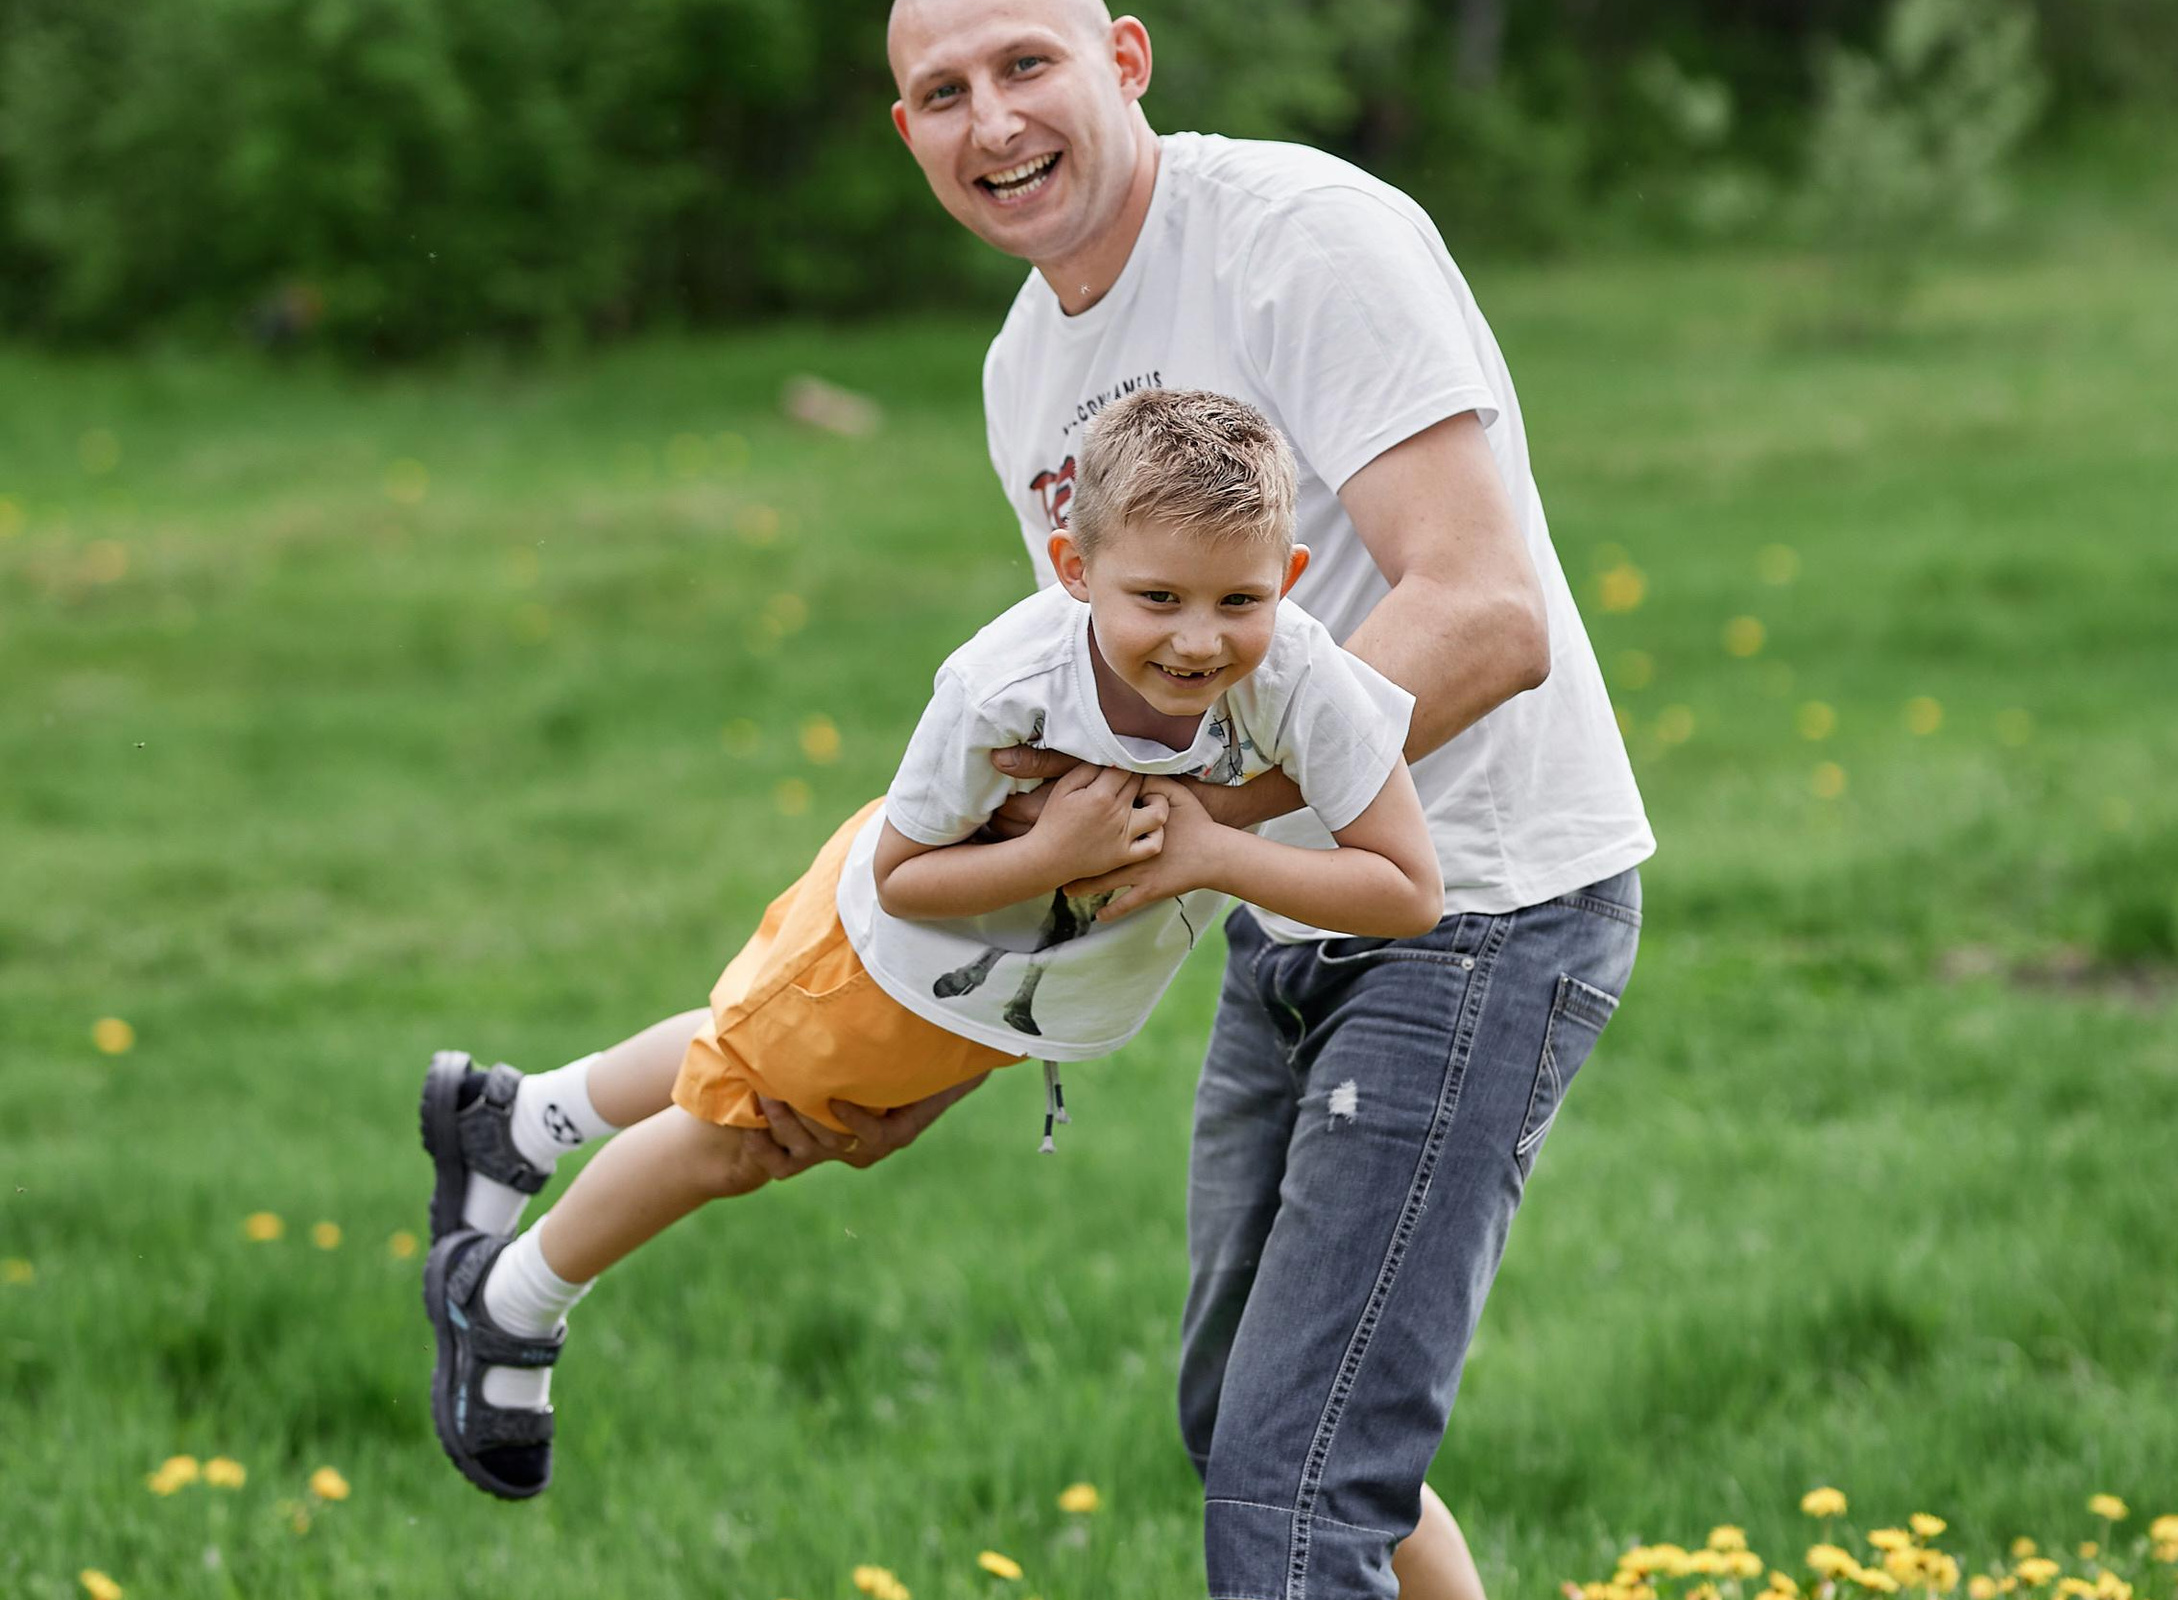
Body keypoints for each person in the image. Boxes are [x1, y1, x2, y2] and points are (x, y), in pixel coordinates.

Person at [771, 0, 1656, 1600]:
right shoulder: (1018, 378)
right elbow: (1100, 700)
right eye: (941, 93)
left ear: (1122, 57)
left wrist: (1203, 825)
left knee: (1294, 1481)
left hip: (1480, 895)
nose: (993, 123)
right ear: (907, 136)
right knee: (1246, 1408)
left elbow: (1482, 612)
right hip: (1273, 905)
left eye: (1025, 66)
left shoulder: (1312, 242)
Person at [418, 389, 1441, 1503]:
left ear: (1288, 580)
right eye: (1157, 597)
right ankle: (508, 1299)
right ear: (1073, 567)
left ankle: (518, 1117)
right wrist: (1056, 850)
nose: (1199, 639)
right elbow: (905, 877)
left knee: (735, 1046)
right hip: (885, 957)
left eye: (1237, 600)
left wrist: (1209, 853)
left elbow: (1405, 888)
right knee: (742, 1130)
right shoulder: (1002, 685)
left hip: (1005, 992)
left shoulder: (1296, 672)